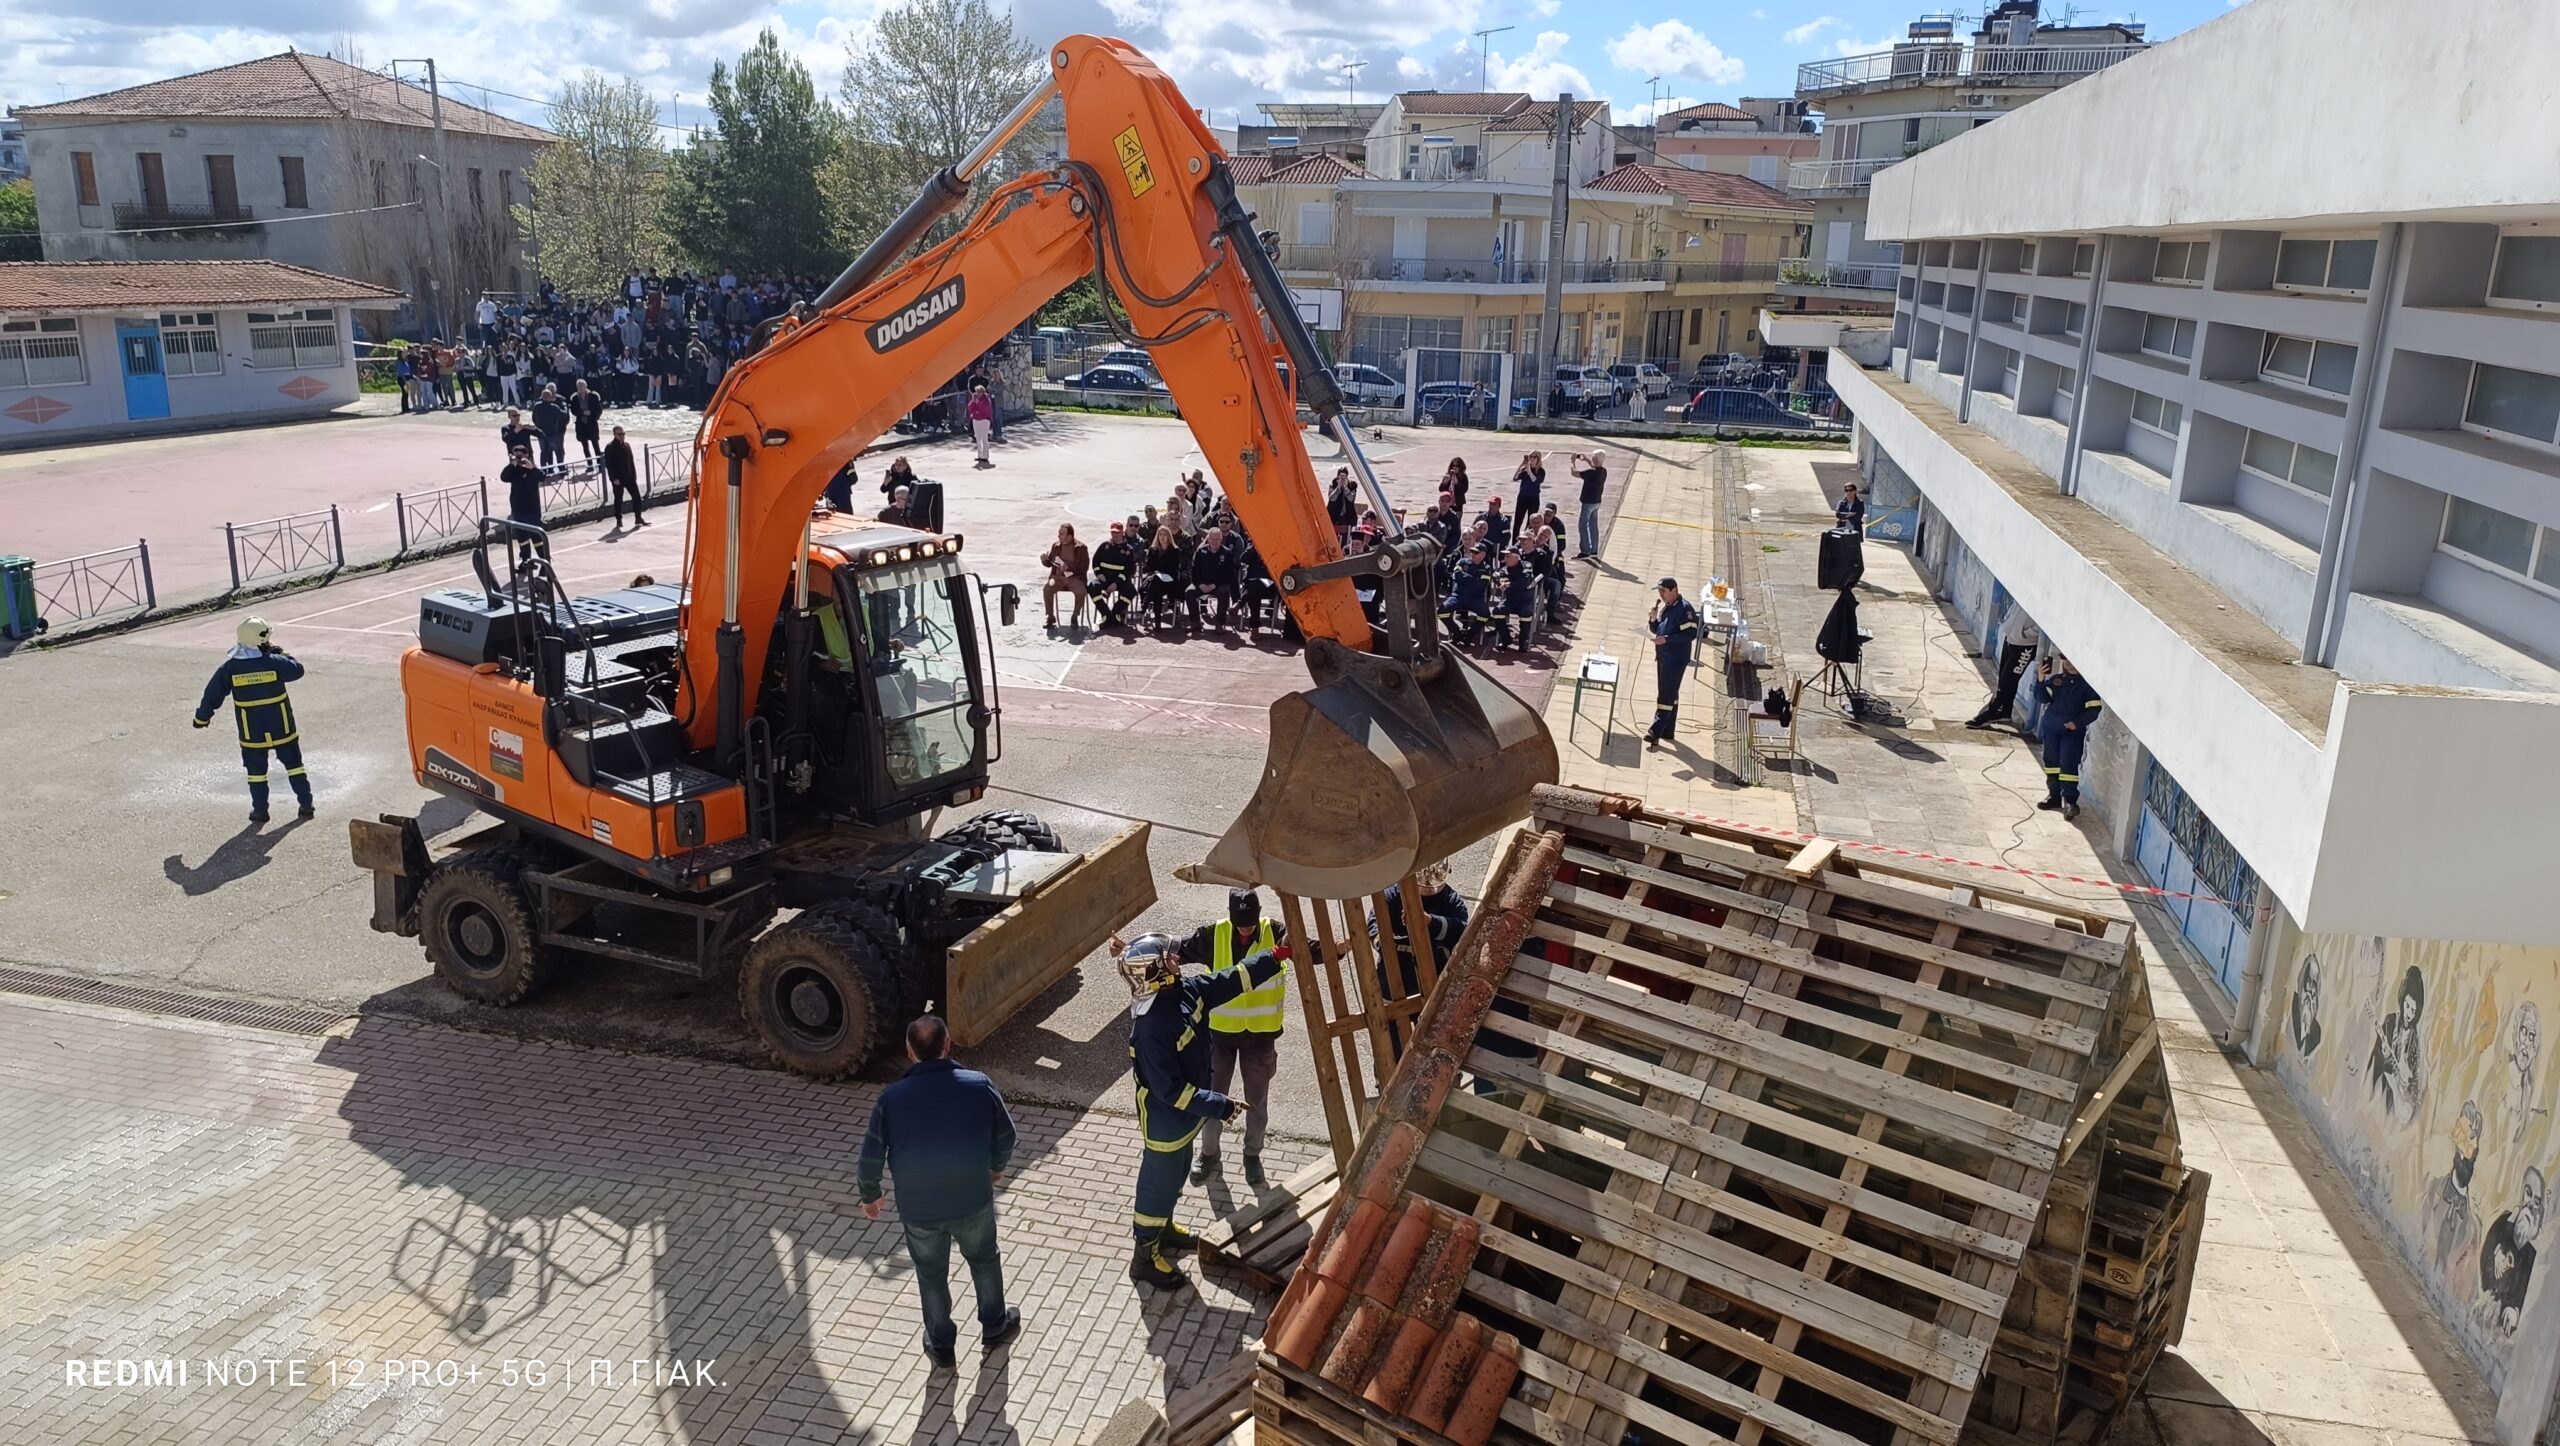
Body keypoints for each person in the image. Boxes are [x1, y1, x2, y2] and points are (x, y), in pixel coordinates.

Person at [1114, 931, 1289, 1291]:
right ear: (1155, 973)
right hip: (1166, 1124)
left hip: (1184, 1120)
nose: (1178, 959)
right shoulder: (1149, 1031)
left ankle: (1163, 1229)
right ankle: (1144, 1257)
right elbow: (1173, 1093)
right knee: (1157, 1186)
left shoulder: (1182, 991)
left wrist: (1275, 955)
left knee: (1175, 1177)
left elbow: (1230, 979)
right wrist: (1220, 1105)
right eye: (1169, 959)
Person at [857, 1015, 1023, 1369]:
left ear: (908, 1052)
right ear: (948, 1045)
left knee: (931, 1273)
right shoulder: (978, 1085)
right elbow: (1006, 1135)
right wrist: (995, 1166)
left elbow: (871, 1152)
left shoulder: (891, 1099)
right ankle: (994, 1325)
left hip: (920, 1209)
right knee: (984, 1258)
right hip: (972, 1199)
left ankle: (941, 1344)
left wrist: (871, 1194)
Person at [1158, 889, 1288, 1187]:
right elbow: (1173, 951)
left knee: (1257, 1103)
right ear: (1230, 916)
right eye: (1240, 921)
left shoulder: (1276, 931)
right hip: (1219, 1037)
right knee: (1212, 1100)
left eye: (1250, 921)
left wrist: (1341, 947)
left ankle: (1252, 1156)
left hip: (1260, 1038)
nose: (1246, 927)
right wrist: (1130, 948)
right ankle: (1209, 1154)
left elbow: (1311, 950)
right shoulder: (1212, 934)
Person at [193, 616, 314, 825]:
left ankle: (260, 812)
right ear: (263, 640)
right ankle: (306, 805)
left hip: (252, 731)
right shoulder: (274, 662)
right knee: (294, 765)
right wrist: (279, 652)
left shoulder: (230, 668)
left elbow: (212, 694)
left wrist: (201, 718)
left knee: (256, 773)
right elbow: (297, 669)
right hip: (281, 725)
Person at [1370, 861, 1469, 1057]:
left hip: (1434, 981)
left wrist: (1430, 922)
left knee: (1435, 1040)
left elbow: (1463, 932)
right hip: (1394, 979)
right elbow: (1375, 929)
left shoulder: (1451, 900)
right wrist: (1403, 939)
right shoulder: (1391, 896)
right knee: (1391, 1045)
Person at [2034, 654, 2102, 819]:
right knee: (2051, 763)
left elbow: (2094, 710)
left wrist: (2077, 723)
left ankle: (2070, 801)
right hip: (2051, 728)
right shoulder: (2058, 680)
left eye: (2073, 660)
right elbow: (2042, 698)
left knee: (2068, 765)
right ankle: (2054, 796)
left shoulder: (2088, 686)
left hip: (2072, 733)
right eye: (2066, 660)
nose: (2069, 664)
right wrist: (2041, 681)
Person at [1646, 577, 1700, 749]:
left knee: (1666, 695)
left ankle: (1655, 731)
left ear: (1673, 590)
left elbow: (1691, 633)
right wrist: (1653, 620)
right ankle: (1668, 730)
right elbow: (1658, 629)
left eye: (1663, 591)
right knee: (1670, 693)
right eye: (1659, 591)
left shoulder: (1685, 609)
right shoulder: (1666, 608)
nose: (1661, 595)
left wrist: (1667, 640)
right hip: (1663, 656)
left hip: (1675, 659)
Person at [1967, 604, 2041, 729]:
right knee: (2004, 679)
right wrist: (2009, 625)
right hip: (2011, 639)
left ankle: (1991, 713)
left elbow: (2045, 622)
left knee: (2008, 680)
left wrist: (2026, 633)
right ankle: (2005, 712)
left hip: (2025, 645)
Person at [502, 446, 550, 561]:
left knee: (536, 538)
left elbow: (542, 477)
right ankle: (525, 561)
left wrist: (531, 468)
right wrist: (511, 464)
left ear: (527, 455)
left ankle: (544, 562)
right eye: (516, 455)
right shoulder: (513, 470)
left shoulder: (532, 470)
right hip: (517, 509)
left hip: (531, 510)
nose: (519, 458)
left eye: (520, 455)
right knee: (522, 538)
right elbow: (504, 477)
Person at [1188, 524, 1237, 632]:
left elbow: (1229, 575)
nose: (1214, 542)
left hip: (1218, 585)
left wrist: (1214, 585)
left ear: (1221, 539)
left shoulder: (1227, 553)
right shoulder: (1200, 551)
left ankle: (1220, 624)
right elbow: (1194, 570)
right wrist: (1200, 583)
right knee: (1189, 592)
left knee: (1224, 593)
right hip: (1202, 584)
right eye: (1212, 539)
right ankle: (1195, 622)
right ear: (1208, 539)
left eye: (1217, 539)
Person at [1041, 524, 1089, 629]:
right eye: (1059, 533)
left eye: (1062, 534)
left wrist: (1069, 568)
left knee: (1081, 592)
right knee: (1047, 588)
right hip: (1057, 578)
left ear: (1070, 536)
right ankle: (1050, 616)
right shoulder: (1056, 546)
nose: (1059, 536)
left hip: (1074, 579)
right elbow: (1050, 563)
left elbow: (1084, 567)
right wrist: (1044, 560)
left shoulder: (1081, 548)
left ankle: (1075, 615)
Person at [1091, 521, 1138, 628]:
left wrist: (1116, 583)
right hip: (1104, 579)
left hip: (1119, 580)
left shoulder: (1128, 550)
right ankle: (1105, 614)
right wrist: (1099, 574)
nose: (1115, 535)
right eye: (1113, 532)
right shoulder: (1104, 546)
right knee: (1092, 587)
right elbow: (1095, 562)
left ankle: (1116, 612)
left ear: (1122, 533)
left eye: (1117, 532)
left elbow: (1128, 570)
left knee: (1131, 591)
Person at [601, 425, 646, 528]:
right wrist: (613, 478)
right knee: (618, 500)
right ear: (615, 435)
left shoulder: (627, 445)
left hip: (629, 477)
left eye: (623, 434)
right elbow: (609, 464)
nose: (622, 436)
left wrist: (634, 475)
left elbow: (631, 461)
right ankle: (619, 520)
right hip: (618, 479)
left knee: (637, 497)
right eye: (620, 434)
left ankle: (638, 517)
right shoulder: (610, 447)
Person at [1493, 545, 1536, 652]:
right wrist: (1500, 582)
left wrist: (1510, 584)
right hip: (1510, 600)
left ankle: (1523, 644)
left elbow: (1525, 581)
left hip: (1525, 600)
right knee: (1497, 612)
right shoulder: (1504, 569)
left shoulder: (1526, 565)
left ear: (1516, 557)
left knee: (1526, 615)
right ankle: (1506, 639)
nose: (1505, 559)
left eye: (1508, 556)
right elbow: (1500, 577)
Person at [1142, 526, 1185, 628]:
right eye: (1160, 534)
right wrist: (1154, 572)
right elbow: (1148, 567)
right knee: (1157, 588)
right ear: (1157, 536)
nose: (1162, 537)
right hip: (1156, 581)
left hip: (1170, 581)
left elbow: (1173, 568)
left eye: (1165, 535)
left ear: (1169, 536)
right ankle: (1157, 623)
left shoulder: (1175, 550)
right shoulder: (1153, 550)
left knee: (1156, 582)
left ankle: (1145, 604)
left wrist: (1159, 571)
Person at [1572, 451, 1608, 559]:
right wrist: (1586, 460)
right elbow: (1595, 466)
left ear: (1596, 459)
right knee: (1593, 526)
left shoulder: (1591, 472)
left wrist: (1572, 461)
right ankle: (1594, 549)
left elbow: (1574, 473)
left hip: (1588, 502)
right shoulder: (1603, 471)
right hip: (1597, 501)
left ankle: (1585, 551)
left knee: (1582, 525)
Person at [529, 384, 571, 469]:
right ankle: (561, 469)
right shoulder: (554, 407)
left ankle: (545, 470)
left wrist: (538, 426)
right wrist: (566, 407)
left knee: (544, 452)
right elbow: (564, 415)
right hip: (553, 433)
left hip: (541, 433)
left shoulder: (537, 406)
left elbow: (534, 419)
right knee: (558, 451)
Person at [567, 378, 606, 466]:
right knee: (585, 446)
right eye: (578, 386)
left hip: (592, 424)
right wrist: (582, 413)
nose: (580, 388)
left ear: (586, 386)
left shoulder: (593, 396)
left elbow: (599, 410)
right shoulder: (575, 398)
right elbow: (573, 410)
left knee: (595, 444)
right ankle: (590, 464)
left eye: (582, 386)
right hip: (581, 424)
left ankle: (600, 464)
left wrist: (591, 414)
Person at [1510, 451, 1545, 534]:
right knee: (1518, 521)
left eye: (1534, 457)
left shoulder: (1541, 471)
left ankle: (1527, 538)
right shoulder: (1525, 470)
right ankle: (1515, 541)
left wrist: (1529, 470)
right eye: (1530, 457)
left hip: (1533, 498)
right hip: (1523, 497)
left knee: (1531, 522)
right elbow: (1515, 478)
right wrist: (1520, 466)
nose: (1532, 459)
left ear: (1538, 459)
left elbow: (1536, 481)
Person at [967, 383, 996, 468]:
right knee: (978, 438)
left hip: (984, 420)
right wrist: (973, 400)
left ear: (983, 392)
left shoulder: (986, 399)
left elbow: (984, 408)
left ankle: (985, 456)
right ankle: (979, 455)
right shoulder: (974, 399)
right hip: (976, 419)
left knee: (984, 438)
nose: (978, 394)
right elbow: (970, 407)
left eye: (980, 392)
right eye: (977, 392)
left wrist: (978, 402)